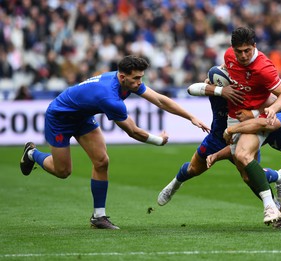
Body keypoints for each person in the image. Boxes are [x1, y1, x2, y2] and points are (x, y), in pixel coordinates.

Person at [19, 55, 209, 230]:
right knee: (63, 171)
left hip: (82, 116)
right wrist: (159, 141)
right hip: (60, 118)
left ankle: (98, 217)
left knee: (102, 161)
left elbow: (159, 100)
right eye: (135, 79)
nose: (139, 83)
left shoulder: (127, 82)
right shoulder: (110, 98)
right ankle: (31, 153)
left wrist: (191, 117)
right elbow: (133, 132)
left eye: (141, 77)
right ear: (121, 77)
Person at [157, 82, 281, 209]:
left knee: (250, 177)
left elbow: (272, 98)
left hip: (242, 138)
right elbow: (191, 89)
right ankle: (174, 185)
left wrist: (254, 112)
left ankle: (276, 193)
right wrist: (219, 90)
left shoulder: (246, 87)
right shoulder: (216, 80)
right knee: (193, 169)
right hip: (216, 138)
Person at [220, 26, 281, 225]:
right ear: (232, 49)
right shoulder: (228, 56)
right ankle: (279, 177)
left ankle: (270, 207)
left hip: (256, 118)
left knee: (243, 155)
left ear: (254, 46)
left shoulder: (264, 67)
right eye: (238, 51)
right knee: (246, 175)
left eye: (247, 51)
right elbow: (225, 70)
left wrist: (273, 109)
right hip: (234, 116)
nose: (242, 55)